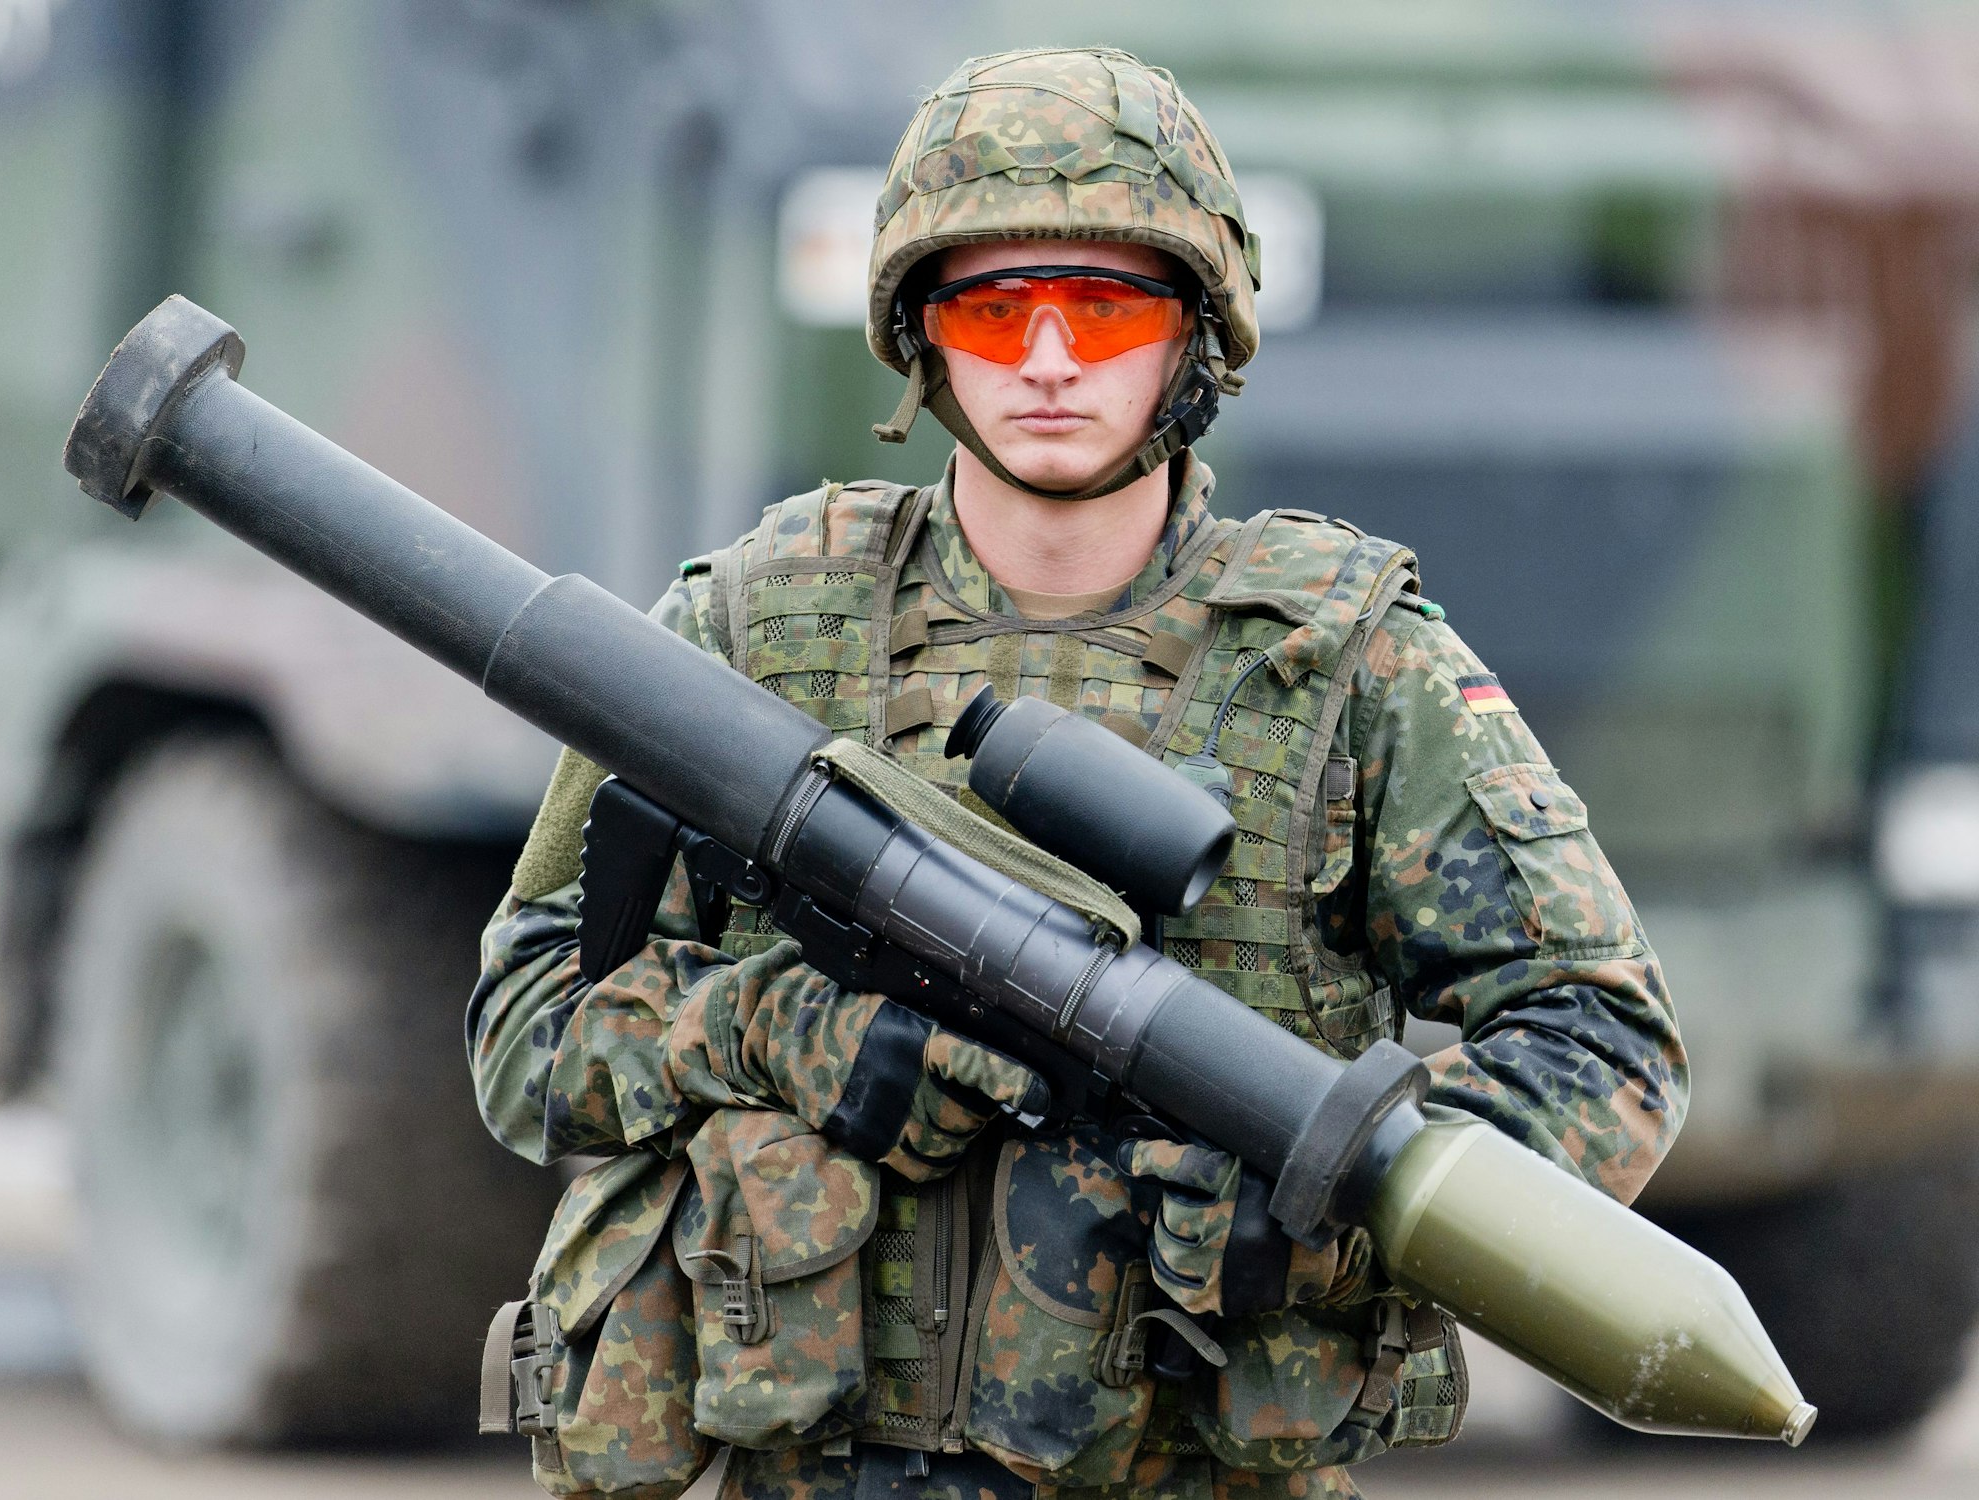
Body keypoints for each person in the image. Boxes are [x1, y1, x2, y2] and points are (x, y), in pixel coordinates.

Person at [468, 47, 1688, 1500]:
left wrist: (1334, 1216)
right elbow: (525, 1033)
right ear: (923, 334)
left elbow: (1604, 1041)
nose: (1048, 361)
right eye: (994, 308)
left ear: (1196, 334)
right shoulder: (753, 627)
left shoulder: (1347, 664)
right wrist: (779, 1029)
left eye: (1105, 308)